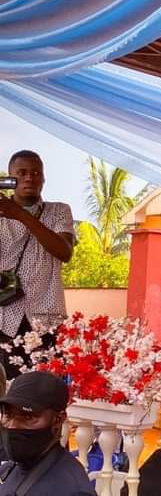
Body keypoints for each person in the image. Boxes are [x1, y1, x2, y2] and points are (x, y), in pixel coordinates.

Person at [0, 151, 74, 380]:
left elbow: (64, 252)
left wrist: (20, 215)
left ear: (43, 179)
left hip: (46, 319)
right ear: (10, 179)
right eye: (21, 173)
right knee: (6, 392)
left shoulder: (59, 211)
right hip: (4, 318)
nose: (29, 178)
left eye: (36, 173)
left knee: (44, 390)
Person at [0, 371, 94, 495]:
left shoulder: (71, 489)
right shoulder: (9, 469)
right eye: (8, 415)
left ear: (58, 420)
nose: (12, 426)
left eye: (28, 417)